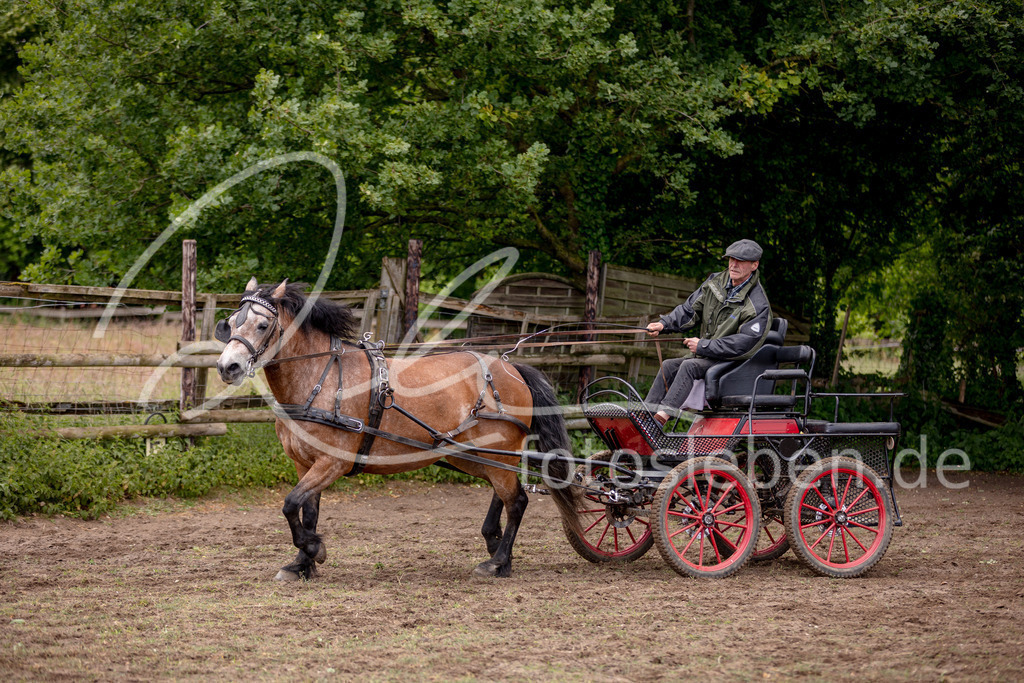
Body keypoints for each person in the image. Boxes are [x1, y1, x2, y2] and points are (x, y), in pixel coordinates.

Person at [645, 239, 773, 426]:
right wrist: (664, 324)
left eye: (741, 260)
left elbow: (744, 344)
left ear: (754, 265)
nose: (734, 264)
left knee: (689, 366)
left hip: (733, 362)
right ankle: (645, 415)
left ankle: (661, 418)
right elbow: (690, 309)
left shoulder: (758, 305)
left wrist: (704, 345)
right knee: (668, 365)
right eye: (731, 259)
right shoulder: (715, 282)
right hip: (710, 354)